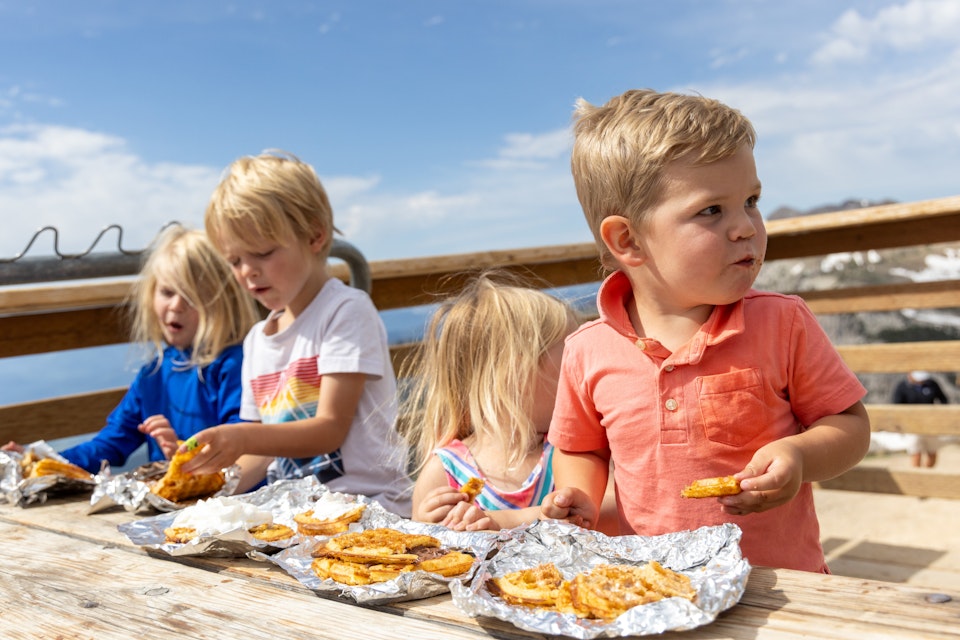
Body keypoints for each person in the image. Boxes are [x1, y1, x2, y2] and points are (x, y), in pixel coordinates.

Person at [539, 89, 872, 573]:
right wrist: (578, 495)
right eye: (712, 210)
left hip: (779, 587)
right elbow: (581, 447)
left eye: (751, 201)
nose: (746, 228)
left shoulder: (783, 322)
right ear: (628, 240)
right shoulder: (588, 350)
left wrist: (798, 454)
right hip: (653, 587)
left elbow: (850, 427)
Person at [177, 150, 413, 516]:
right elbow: (260, 452)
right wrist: (208, 492)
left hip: (371, 507)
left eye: (262, 252)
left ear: (315, 236)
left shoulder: (345, 310)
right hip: (297, 517)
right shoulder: (257, 340)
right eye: (234, 260)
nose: (247, 272)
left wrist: (239, 437)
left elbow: (329, 430)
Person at [2, 225, 260, 473]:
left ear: (225, 302)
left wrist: (184, 451)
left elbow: (244, 441)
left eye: (193, 297)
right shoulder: (154, 373)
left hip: (224, 504)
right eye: (168, 292)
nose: (176, 306)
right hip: (175, 505)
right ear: (151, 295)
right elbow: (111, 443)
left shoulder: (234, 364)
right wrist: (42, 461)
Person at [401, 271, 583, 531]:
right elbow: (426, 555)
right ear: (514, 373)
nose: (584, 374)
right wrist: (428, 527)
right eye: (570, 362)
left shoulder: (572, 451)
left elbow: (600, 509)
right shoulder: (445, 472)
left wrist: (502, 521)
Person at [893, 371, 949, 468]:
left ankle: (926, 475)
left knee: (932, 453)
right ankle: (917, 478)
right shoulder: (903, 387)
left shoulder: (932, 384)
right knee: (916, 453)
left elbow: (944, 400)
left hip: (930, 424)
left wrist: (938, 415)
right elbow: (896, 405)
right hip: (911, 425)